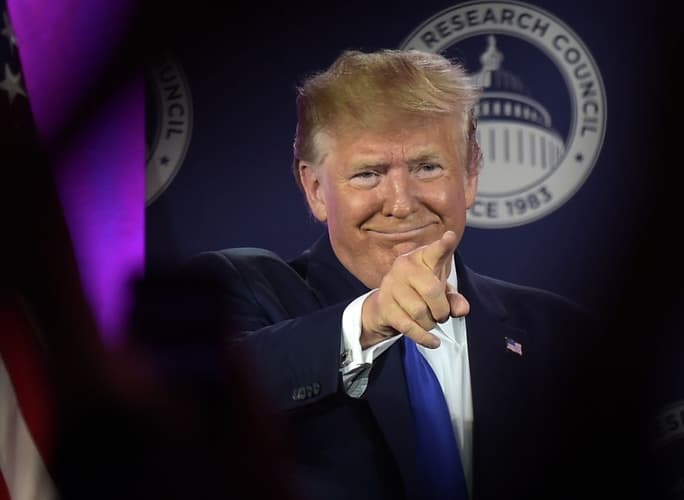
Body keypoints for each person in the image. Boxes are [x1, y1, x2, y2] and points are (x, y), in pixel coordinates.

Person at [186, 49, 630, 500]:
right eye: (367, 174)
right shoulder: (243, 289)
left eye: (427, 167)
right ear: (316, 189)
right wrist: (371, 317)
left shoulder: (560, 333)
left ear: (471, 175)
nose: (401, 203)